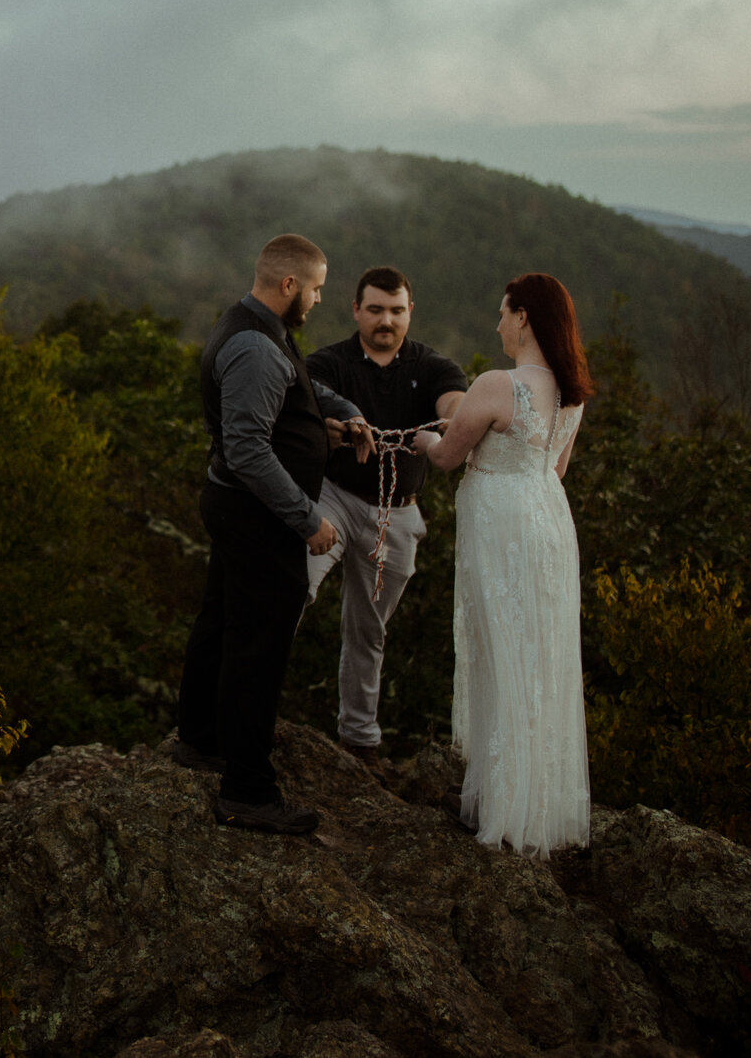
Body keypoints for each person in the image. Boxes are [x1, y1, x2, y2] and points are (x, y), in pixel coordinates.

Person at [175, 234, 372, 836]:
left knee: (220, 622)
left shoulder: (258, 328)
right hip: (257, 516)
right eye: (314, 289)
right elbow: (248, 450)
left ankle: (201, 740)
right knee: (257, 650)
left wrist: (344, 419)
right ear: (288, 285)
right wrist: (308, 520)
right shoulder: (257, 348)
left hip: (238, 511)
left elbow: (302, 389)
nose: (316, 300)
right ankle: (247, 791)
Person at [415, 273, 593, 858]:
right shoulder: (573, 392)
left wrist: (420, 437)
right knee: (540, 654)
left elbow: (445, 458)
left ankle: (503, 806)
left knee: (503, 647)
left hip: (503, 527)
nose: (496, 324)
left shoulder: (498, 384)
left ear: (523, 317)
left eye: (502, 313)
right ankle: (533, 804)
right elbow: (555, 468)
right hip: (548, 521)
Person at [304, 267, 468, 771]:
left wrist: (454, 421)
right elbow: (303, 400)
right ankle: (245, 714)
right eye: (375, 310)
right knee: (291, 587)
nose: (385, 321)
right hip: (333, 496)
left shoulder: (433, 366)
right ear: (356, 310)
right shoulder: (328, 362)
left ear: (409, 312)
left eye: (396, 311)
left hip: (397, 513)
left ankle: (360, 740)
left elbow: (454, 402)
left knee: (368, 629)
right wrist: (327, 425)